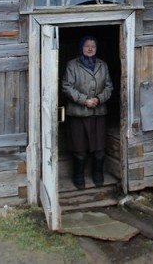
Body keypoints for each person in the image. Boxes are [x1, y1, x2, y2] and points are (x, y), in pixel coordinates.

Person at [62, 35, 113, 189]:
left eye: (93, 46)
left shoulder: (103, 65)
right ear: (81, 47)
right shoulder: (72, 65)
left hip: (98, 112)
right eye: (86, 46)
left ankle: (98, 174)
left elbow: (109, 86)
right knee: (79, 149)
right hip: (78, 113)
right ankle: (79, 177)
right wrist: (84, 100)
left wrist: (98, 99)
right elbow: (66, 86)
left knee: (99, 148)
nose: (90, 49)